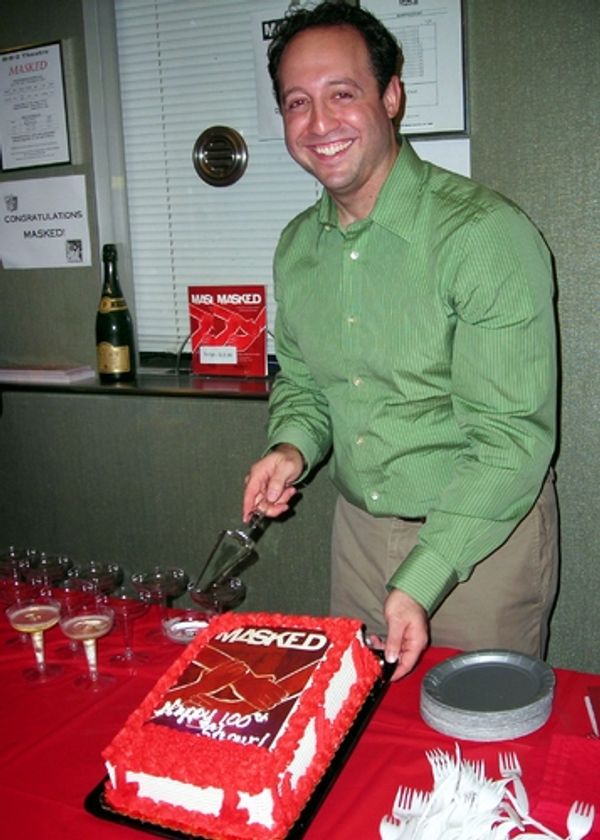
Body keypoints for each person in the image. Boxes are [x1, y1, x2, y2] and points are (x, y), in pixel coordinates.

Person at [242, 1, 558, 681]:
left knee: (473, 749)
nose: (319, 124)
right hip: (357, 537)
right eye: (297, 102)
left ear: (391, 96)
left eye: (342, 94)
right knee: (357, 736)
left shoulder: (483, 237)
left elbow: (512, 442)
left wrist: (424, 573)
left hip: (481, 541)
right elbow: (302, 383)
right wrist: (290, 447)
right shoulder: (297, 248)